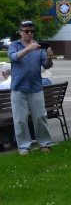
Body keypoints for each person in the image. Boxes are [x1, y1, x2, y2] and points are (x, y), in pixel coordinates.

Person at [8, 20, 54, 156]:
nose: (29, 33)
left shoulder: (39, 47)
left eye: (32, 31)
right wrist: (28, 48)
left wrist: (49, 58)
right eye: (26, 31)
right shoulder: (15, 45)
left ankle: (44, 144)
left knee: (40, 117)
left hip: (35, 86)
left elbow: (46, 65)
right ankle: (24, 147)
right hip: (18, 87)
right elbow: (13, 57)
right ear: (20, 32)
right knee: (20, 119)